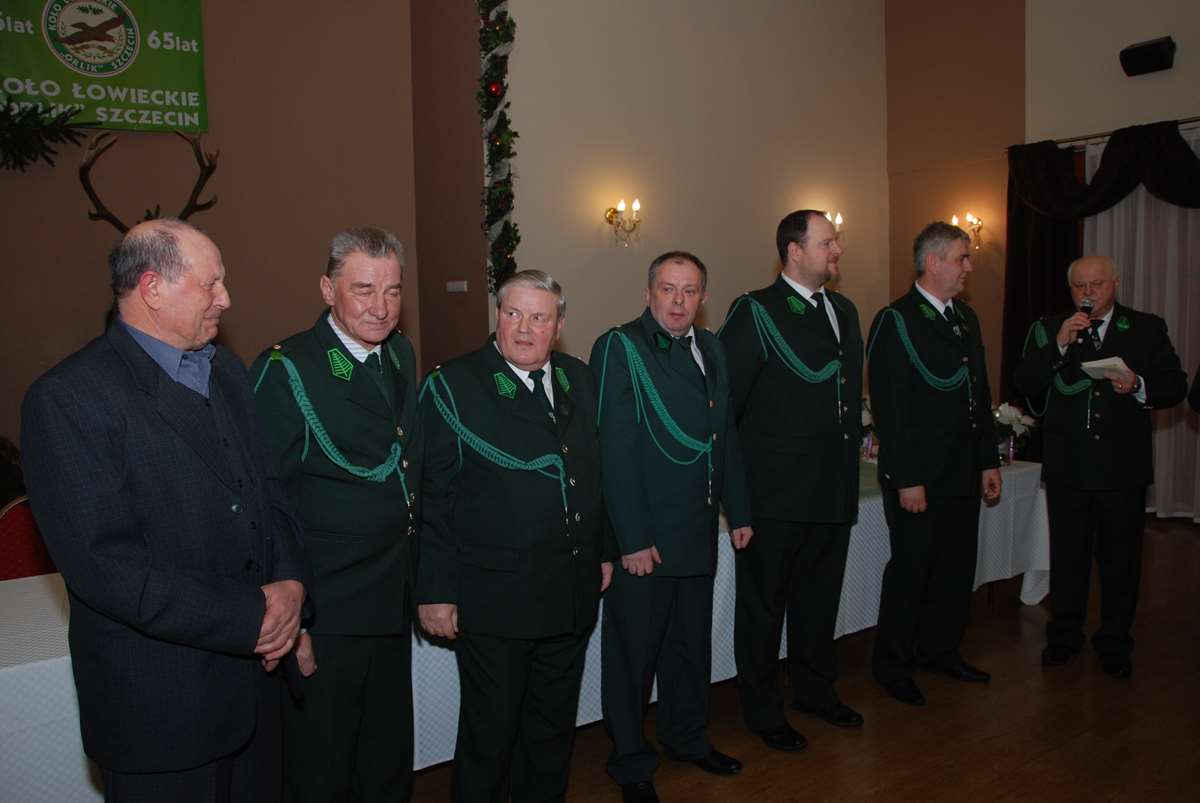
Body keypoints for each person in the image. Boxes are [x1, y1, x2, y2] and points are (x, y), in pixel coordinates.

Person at [20, 219, 309, 803]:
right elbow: (106, 567)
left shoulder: (227, 371)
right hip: (162, 711)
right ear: (152, 288)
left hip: (257, 693)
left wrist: (291, 585)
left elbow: (269, 490)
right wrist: (252, 616)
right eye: (212, 283)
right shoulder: (67, 399)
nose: (226, 299)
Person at [416, 270, 616, 802]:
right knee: (491, 737)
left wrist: (602, 550)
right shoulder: (455, 385)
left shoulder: (578, 377)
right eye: (513, 314)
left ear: (559, 326)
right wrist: (435, 589)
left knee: (551, 734)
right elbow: (433, 495)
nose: (524, 329)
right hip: (497, 599)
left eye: (539, 317)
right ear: (498, 317)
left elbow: (592, 473)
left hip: (569, 593)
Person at [251, 227, 421, 802]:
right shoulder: (288, 368)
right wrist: (292, 619)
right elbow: (268, 504)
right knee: (322, 767)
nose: (381, 307)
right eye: (364, 290)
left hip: (391, 595)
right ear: (328, 290)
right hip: (328, 605)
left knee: (386, 757)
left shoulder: (399, 354)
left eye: (393, 291)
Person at [591, 252, 753, 803]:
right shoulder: (620, 347)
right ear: (648, 293)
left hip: (698, 528)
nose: (678, 301)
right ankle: (630, 760)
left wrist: (739, 509)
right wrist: (632, 538)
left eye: (689, 291)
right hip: (647, 539)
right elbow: (613, 451)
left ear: (703, 297)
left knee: (689, 647)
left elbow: (724, 434)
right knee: (634, 655)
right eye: (668, 289)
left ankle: (687, 737)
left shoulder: (712, 347)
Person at [719, 210, 865, 751]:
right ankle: (761, 709)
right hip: (774, 493)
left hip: (832, 488)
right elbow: (727, 406)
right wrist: (736, 495)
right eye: (827, 242)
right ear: (794, 250)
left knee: (818, 600)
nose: (837, 250)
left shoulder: (844, 310)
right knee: (764, 608)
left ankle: (815, 691)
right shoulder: (755, 310)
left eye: (836, 241)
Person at [1013, 255, 1186, 678]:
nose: (1089, 293)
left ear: (1115, 283)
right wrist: (1058, 346)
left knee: (1121, 561)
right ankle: (1064, 637)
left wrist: (1138, 384)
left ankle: (1114, 642)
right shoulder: (1050, 327)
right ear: (1070, 289)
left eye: (1097, 284)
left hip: (1122, 468)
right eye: (1080, 286)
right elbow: (1024, 383)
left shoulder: (1145, 327)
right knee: (1068, 557)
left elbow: (1175, 384)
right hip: (1068, 466)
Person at [866, 221, 1001, 707]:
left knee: (955, 568)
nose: (968, 267)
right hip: (919, 476)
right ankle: (893, 665)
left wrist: (988, 461)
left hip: (962, 471)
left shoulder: (965, 318)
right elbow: (890, 407)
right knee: (913, 571)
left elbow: (978, 394)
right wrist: (907, 478)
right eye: (962, 258)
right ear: (933, 262)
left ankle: (940, 650)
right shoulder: (896, 319)